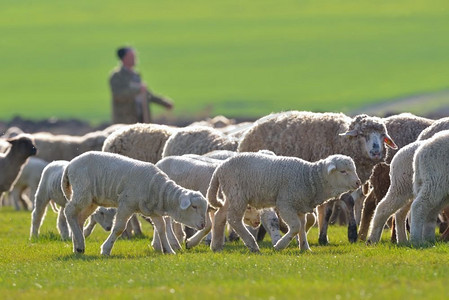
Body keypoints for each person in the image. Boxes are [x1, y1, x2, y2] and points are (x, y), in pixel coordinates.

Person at [109, 47, 173, 124]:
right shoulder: (117, 76)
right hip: (126, 119)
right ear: (124, 58)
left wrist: (164, 102)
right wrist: (137, 90)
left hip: (141, 117)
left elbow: (147, 94)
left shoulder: (136, 75)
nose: (134, 58)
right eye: (131, 56)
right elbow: (118, 94)